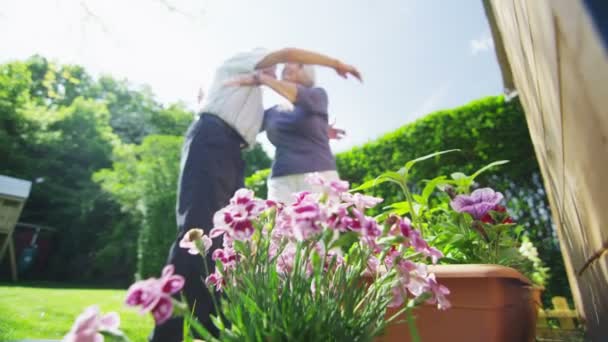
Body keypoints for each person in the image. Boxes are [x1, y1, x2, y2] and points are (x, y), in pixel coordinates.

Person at [150, 47, 361, 342]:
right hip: (214, 141)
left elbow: (285, 114)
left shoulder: (281, 94)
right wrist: (336, 62)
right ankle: (165, 336)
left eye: (287, 68)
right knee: (195, 232)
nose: (278, 70)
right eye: (276, 67)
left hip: (231, 151)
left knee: (221, 240)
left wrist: (320, 127)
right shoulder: (246, 62)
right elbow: (284, 56)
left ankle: (209, 332)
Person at [229, 63, 352, 204]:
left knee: (320, 223)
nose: (288, 64)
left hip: (319, 173)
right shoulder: (273, 112)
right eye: (286, 63)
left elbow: (300, 98)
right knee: (280, 223)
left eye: (297, 63)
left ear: (307, 72)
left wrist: (262, 78)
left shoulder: (317, 94)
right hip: (281, 178)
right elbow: (244, 129)